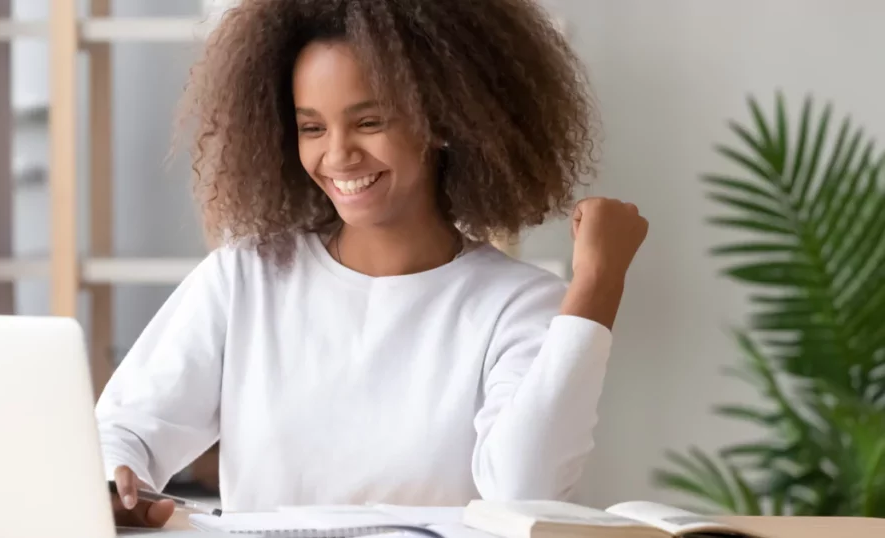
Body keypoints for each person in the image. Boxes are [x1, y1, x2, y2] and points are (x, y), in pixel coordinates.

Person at [95, 0, 648, 528]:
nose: (337, 155)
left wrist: (597, 287)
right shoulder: (245, 277)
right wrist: (111, 478)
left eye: (369, 122)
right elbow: (123, 431)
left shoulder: (516, 305)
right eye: (312, 127)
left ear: (445, 121)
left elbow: (525, 492)